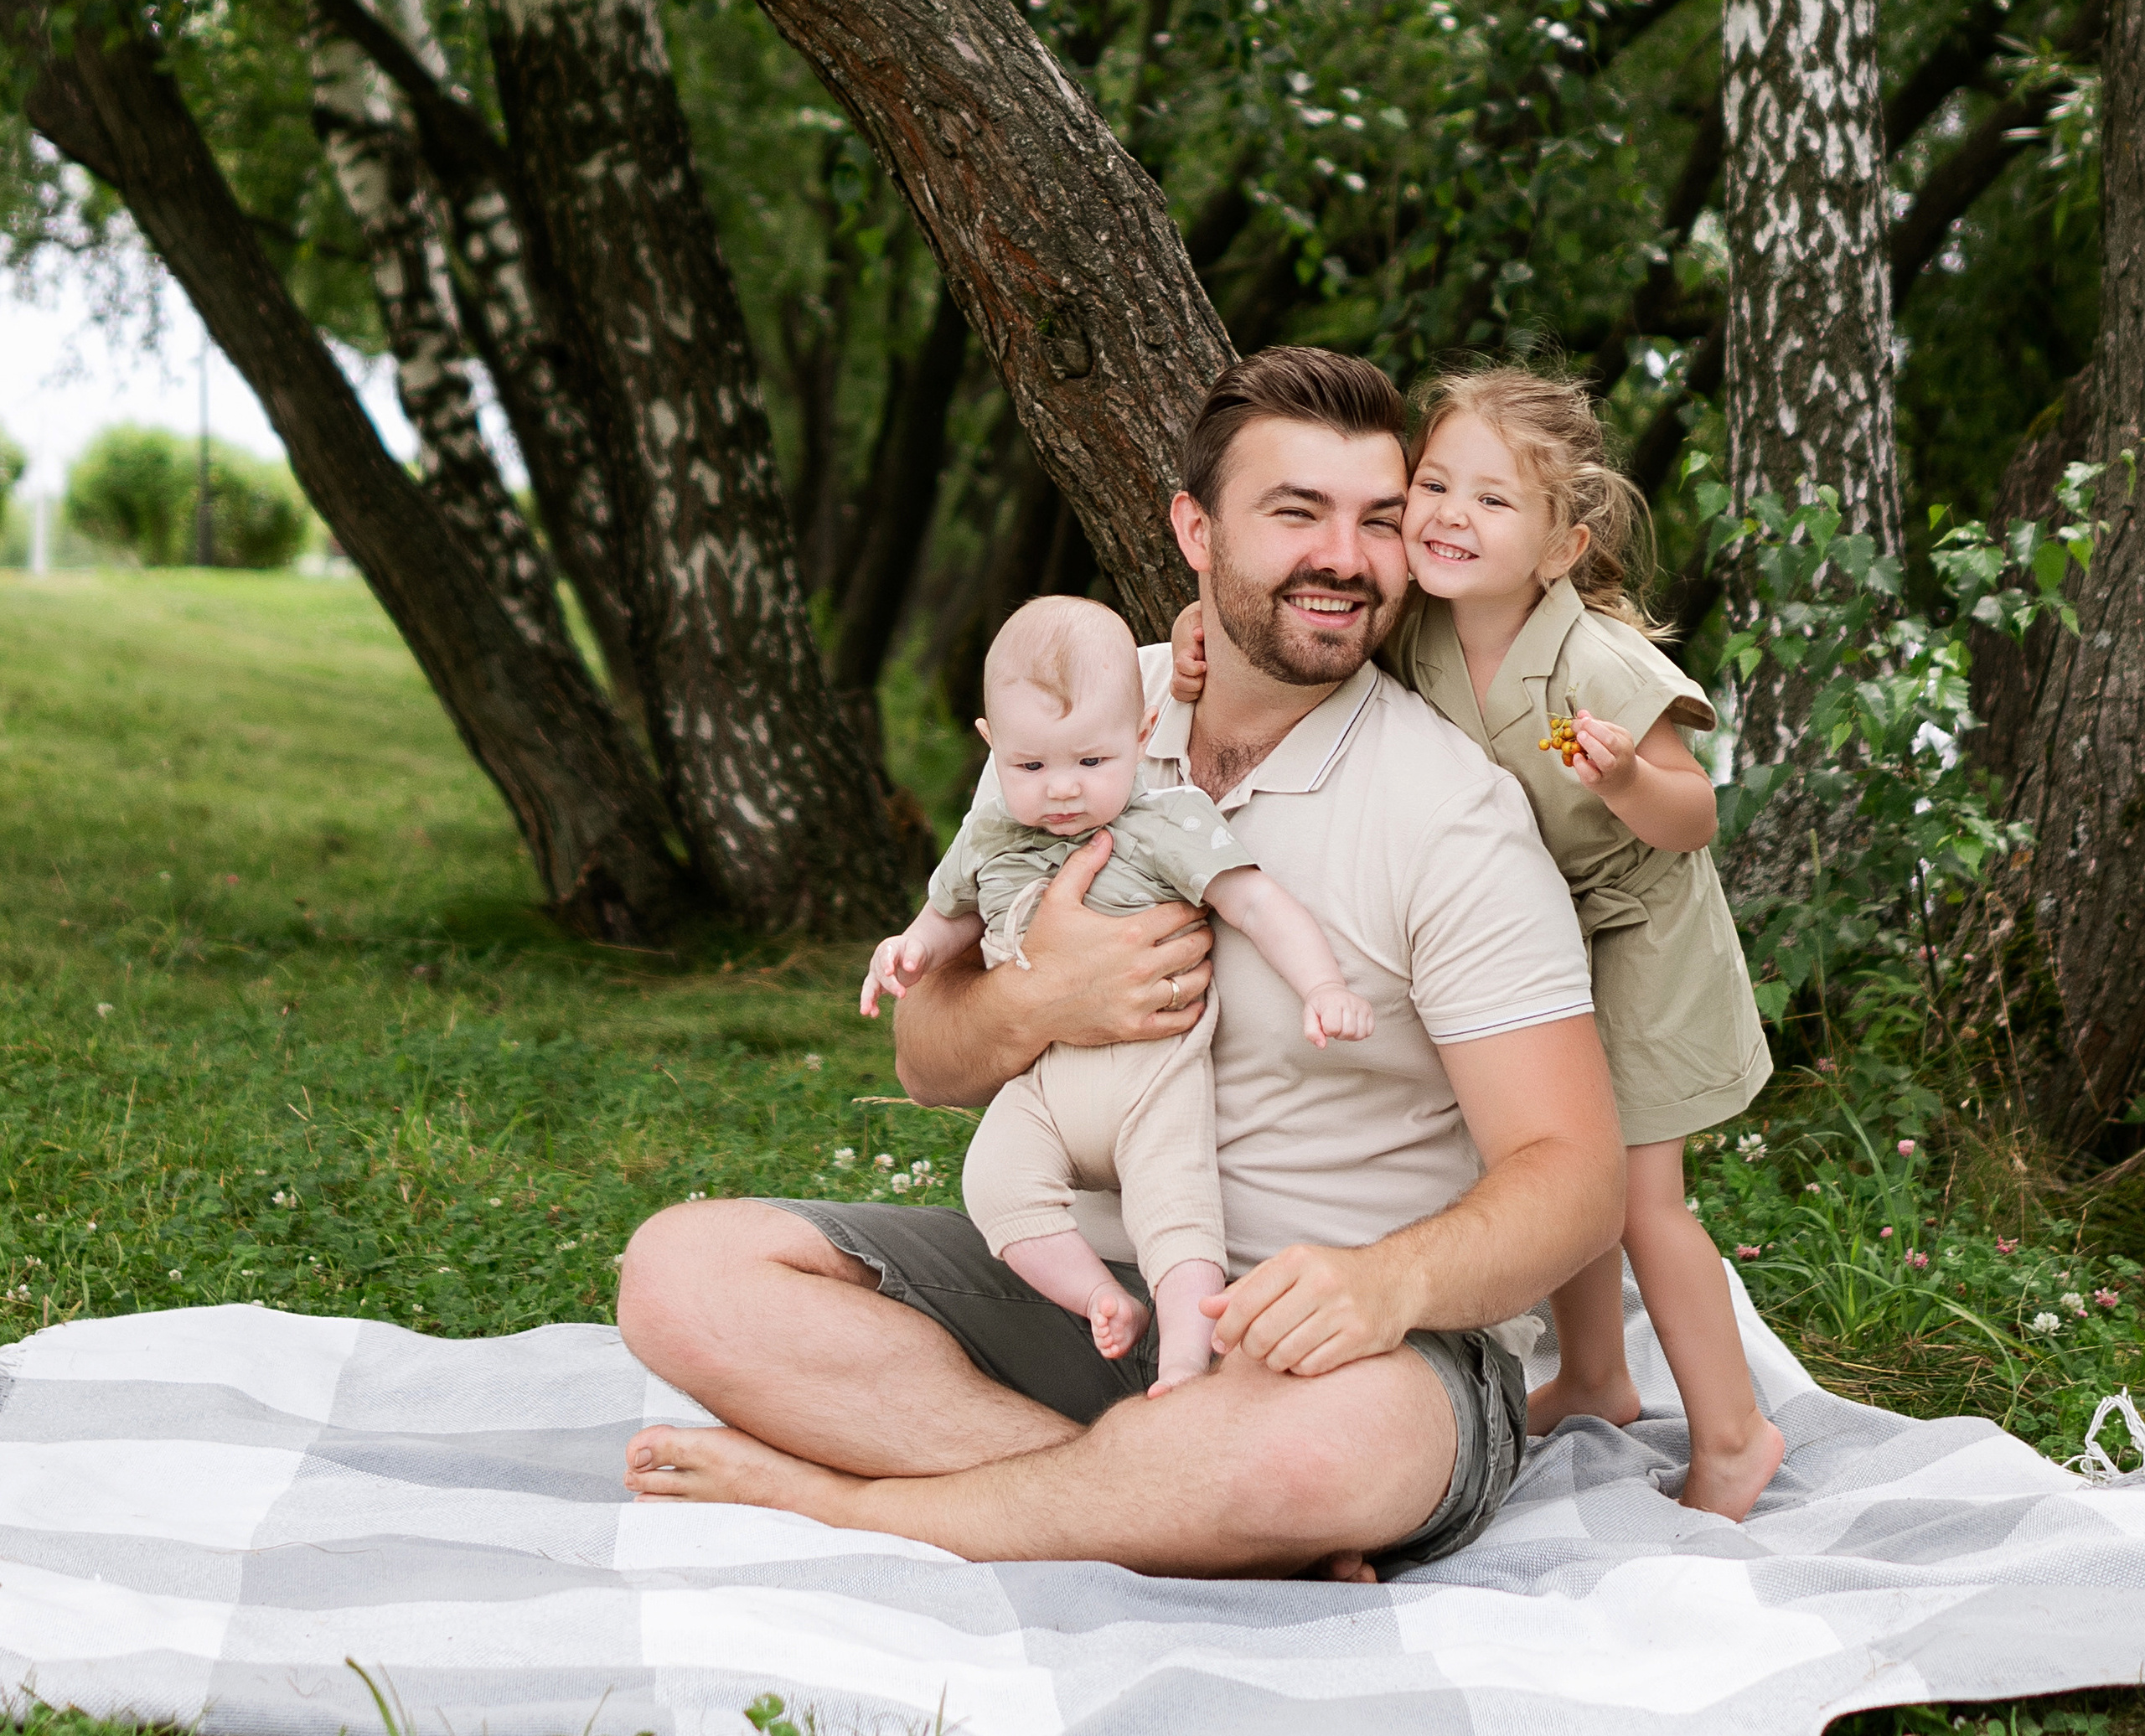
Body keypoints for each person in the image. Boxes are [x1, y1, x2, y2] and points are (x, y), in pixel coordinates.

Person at [616, 346, 1623, 1583]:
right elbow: (927, 1061)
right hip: (1072, 1284)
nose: (1346, 560)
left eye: (1377, 521)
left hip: (1339, 1347)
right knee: (683, 1274)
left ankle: (857, 1510)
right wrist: (1045, 997)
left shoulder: (1448, 811)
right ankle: (1150, 1503)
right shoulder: (1079, 718)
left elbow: (1574, 1177)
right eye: (1296, 513)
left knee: (1311, 1460)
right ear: (1194, 529)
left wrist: (1387, 1283)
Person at [1175, 364, 1778, 1521]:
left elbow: (1697, 816)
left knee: (1641, 1199)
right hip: (1542, 930)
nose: (1449, 515)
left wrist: (1626, 780)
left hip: (1639, 933)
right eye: (1435, 487)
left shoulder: (1594, 656)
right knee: (1562, 1155)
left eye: (1493, 501)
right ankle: (1596, 1377)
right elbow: (1291, 627)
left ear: (1560, 547)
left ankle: (1737, 1434)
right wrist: (1190, 632)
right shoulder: (1425, 640)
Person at [862, 591, 1374, 1396]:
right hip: (1044, 1085)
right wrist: (905, 952)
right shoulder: (993, 830)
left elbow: (1258, 903)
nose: (1061, 789)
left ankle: (1181, 1361)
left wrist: (1322, 985)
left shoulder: (1168, 822)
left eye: (1091, 763)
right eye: (1031, 766)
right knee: (993, 1181)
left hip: (1153, 1082)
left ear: (1141, 736)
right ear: (992, 745)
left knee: (1179, 1218)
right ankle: (1098, 1297)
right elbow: (945, 918)